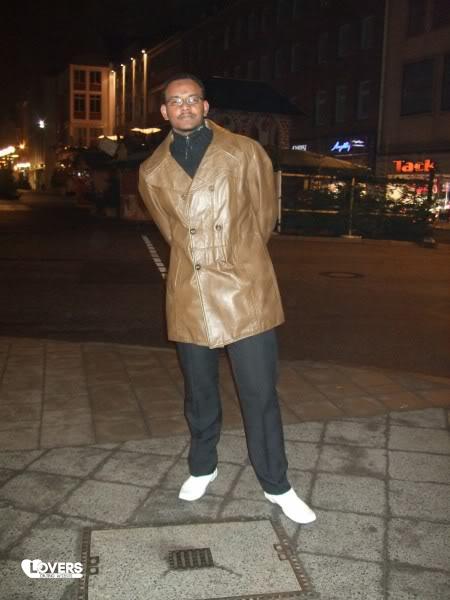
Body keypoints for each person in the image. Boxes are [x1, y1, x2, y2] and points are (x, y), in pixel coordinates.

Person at [138, 73, 316, 524]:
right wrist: (202, 258)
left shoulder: (244, 151)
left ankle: (277, 484)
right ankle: (203, 466)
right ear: (164, 111)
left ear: (205, 106)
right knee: (199, 392)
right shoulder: (152, 170)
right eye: (175, 101)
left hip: (244, 287)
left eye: (192, 99)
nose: (184, 107)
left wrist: (236, 258)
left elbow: (264, 216)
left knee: (259, 393)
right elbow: (171, 232)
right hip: (190, 290)